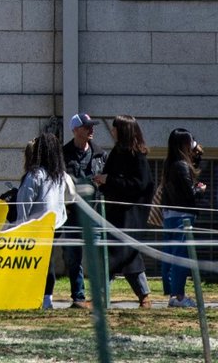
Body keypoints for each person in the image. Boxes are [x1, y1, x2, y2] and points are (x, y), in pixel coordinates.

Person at [99, 115, 154, 308]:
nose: (112, 131)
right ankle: (142, 295)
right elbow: (110, 177)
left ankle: (103, 295)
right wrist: (102, 181)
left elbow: (140, 185)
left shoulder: (137, 155)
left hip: (129, 215)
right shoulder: (117, 152)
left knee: (123, 253)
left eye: (115, 128)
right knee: (118, 253)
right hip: (116, 212)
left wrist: (109, 181)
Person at [15, 132, 70, 309]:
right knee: (48, 262)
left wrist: (19, 226)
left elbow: (24, 201)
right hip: (55, 225)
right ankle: (47, 299)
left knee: (31, 263)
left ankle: (28, 295)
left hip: (34, 226)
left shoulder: (35, 174)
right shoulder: (60, 175)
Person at [159, 128, 206, 308]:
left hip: (170, 215)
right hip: (183, 217)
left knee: (171, 255)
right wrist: (200, 191)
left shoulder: (169, 163)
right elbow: (189, 195)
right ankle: (178, 296)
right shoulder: (181, 166)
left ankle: (173, 293)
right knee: (181, 256)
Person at [60, 113, 103, 309]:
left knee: (95, 256)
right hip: (71, 214)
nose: (91, 130)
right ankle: (78, 297)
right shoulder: (63, 154)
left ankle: (98, 296)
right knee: (72, 256)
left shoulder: (100, 154)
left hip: (93, 213)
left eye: (92, 127)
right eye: (87, 127)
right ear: (76, 130)